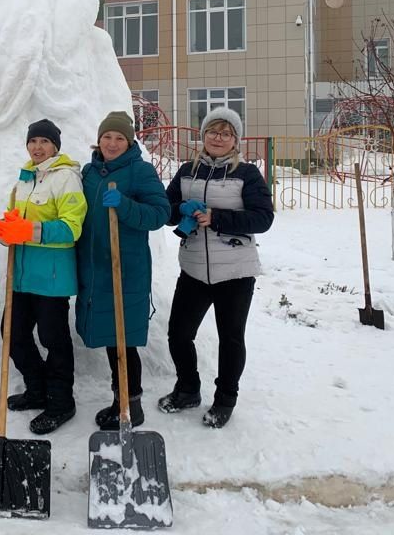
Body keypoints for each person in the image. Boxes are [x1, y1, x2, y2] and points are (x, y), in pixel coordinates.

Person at [160, 106, 274, 429]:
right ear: (203, 135)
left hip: (235, 273)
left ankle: (225, 399)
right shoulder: (186, 172)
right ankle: (187, 389)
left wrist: (218, 218)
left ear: (235, 140)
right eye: (213, 131)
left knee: (231, 339)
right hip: (194, 268)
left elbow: (263, 217)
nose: (218, 138)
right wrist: (180, 208)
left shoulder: (247, 174)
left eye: (226, 133)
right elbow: (165, 211)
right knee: (178, 334)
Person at [75, 111, 170, 430]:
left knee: (123, 339)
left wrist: (125, 206)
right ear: (98, 140)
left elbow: (159, 213)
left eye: (119, 138)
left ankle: (131, 405)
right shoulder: (89, 172)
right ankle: (120, 399)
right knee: (109, 334)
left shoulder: (140, 171)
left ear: (129, 142)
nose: (112, 143)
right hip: (95, 268)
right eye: (107, 137)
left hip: (125, 268)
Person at [0, 119, 86, 435]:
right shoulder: (24, 180)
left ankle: (61, 402)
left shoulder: (66, 179)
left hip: (52, 277)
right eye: (33, 142)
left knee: (53, 340)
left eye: (44, 142)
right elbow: (12, 220)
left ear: (55, 147)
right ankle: (37, 389)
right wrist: (3, 231)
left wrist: (28, 230)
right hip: (21, 276)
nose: (37, 147)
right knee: (12, 333)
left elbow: (72, 228)